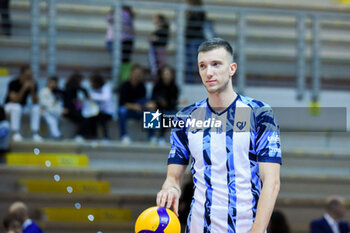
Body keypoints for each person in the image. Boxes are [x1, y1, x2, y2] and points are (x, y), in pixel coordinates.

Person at [156, 38, 282, 233]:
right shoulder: (185, 117)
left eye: (216, 64)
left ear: (232, 68)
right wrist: (171, 188)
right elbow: (173, 176)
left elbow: (271, 182)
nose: (209, 72)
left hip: (246, 227)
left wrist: (257, 230)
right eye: (203, 66)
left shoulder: (260, 113)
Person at [118, 64, 155, 144]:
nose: (138, 75)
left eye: (140, 73)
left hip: (140, 110)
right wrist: (132, 106)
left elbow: (144, 102)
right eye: (136, 73)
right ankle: (124, 136)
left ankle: (152, 137)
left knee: (152, 111)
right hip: (129, 110)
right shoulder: (124, 86)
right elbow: (121, 103)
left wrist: (144, 106)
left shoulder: (142, 86)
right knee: (121, 111)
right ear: (131, 73)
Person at [4, 66, 42, 142]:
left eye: (31, 76)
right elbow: (15, 100)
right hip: (10, 106)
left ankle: (35, 133)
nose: (29, 79)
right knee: (17, 107)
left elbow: (35, 102)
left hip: (22, 107)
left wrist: (33, 90)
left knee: (36, 108)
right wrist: (24, 88)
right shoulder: (13, 83)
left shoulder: (33, 83)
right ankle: (15, 132)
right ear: (21, 75)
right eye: (28, 76)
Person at [106, 6, 134, 83]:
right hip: (115, 39)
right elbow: (110, 20)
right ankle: (119, 80)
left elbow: (124, 25)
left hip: (124, 39)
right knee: (119, 61)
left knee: (123, 61)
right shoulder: (114, 11)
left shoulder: (125, 13)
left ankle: (123, 80)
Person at [151, 65, 178, 144]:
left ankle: (162, 137)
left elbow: (174, 102)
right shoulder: (157, 86)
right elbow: (153, 99)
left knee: (168, 115)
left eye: (168, 74)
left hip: (170, 109)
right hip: (158, 109)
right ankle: (152, 136)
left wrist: (166, 103)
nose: (166, 76)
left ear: (172, 76)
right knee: (150, 112)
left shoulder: (174, 87)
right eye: (165, 74)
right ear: (161, 75)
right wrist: (159, 102)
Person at [62, 72, 91, 141]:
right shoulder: (72, 86)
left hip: (71, 108)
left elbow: (74, 100)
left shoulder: (69, 86)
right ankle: (79, 135)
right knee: (84, 119)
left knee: (85, 117)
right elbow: (83, 90)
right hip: (69, 110)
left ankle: (82, 135)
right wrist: (87, 95)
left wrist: (79, 106)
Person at [185, 0, 206, 83]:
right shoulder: (189, 12)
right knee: (188, 62)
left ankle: (201, 81)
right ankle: (190, 81)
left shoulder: (199, 12)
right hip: (189, 39)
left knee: (196, 62)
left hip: (195, 39)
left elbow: (196, 26)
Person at [88, 73, 114, 140]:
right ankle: (94, 136)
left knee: (102, 119)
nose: (92, 84)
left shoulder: (106, 87)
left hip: (107, 112)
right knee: (91, 117)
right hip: (98, 111)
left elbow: (105, 98)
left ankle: (106, 137)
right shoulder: (93, 89)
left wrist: (93, 96)